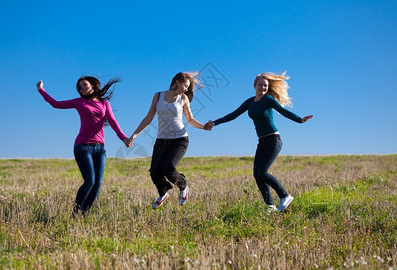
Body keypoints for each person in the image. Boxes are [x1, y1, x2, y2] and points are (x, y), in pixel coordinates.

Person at [204, 72, 312, 212]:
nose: (263, 87)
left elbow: (283, 111)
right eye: (260, 85)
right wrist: (214, 122)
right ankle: (270, 206)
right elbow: (233, 114)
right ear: (255, 85)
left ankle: (284, 196)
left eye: (265, 85)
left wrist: (300, 120)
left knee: (262, 172)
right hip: (261, 141)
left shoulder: (268, 100)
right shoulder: (249, 102)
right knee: (257, 174)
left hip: (273, 140)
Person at [36, 76, 130, 217]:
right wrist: (41, 90)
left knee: (97, 183)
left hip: (99, 149)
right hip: (82, 147)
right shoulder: (79, 102)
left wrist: (123, 138)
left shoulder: (105, 104)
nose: (82, 88)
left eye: (85, 85)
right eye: (80, 87)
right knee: (89, 181)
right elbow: (56, 104)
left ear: (92, 85)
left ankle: (85, 212)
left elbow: (113, 122)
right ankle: (75, 212)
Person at [128, 72, 206, 209]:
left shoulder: (183, 99)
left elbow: (190, 120)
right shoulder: (158, 96)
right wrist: (135, 134)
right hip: (161, 140)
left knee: (168, 168)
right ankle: (163, 193)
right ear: (177, 82)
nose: (186, 89)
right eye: (185, 86)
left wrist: (203, 126)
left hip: (179, 139)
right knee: (155, 172)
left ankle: (183, 185)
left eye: (188, 87)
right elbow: (148, 118)